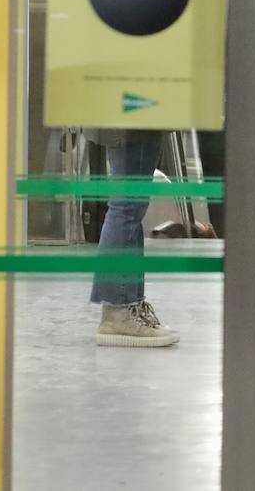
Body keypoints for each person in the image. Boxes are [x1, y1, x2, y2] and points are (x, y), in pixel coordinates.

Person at [87, 130, 180, 347]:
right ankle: (118, 312)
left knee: (130, 207)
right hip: (133, 117)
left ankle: (130, 306)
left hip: (129, 118)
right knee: (127, 206)